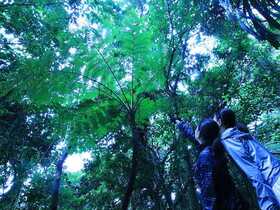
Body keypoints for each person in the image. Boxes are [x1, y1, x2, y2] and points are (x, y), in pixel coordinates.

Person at [215, 108, 280, 210]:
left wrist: (268, 205)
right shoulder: (239, 132)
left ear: (219, 122)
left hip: (274, 179)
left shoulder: (230, 140)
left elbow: (254, 174)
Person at [178, 119, 248, 210]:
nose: (195, 131)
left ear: (200, 134)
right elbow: (195, 139)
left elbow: (210, 196)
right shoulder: (213, 148)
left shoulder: (206, 156)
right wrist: (181, 124)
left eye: (197, 129)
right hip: (233, 202)